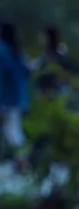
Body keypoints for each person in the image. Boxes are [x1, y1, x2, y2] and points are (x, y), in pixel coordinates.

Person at [0, 22, 30, 169]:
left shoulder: (3, 50)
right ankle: (21, 162)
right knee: (11, 130)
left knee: (12, 131)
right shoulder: (16, 51)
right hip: (17, 97)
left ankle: (23, 161)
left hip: (7, 98)